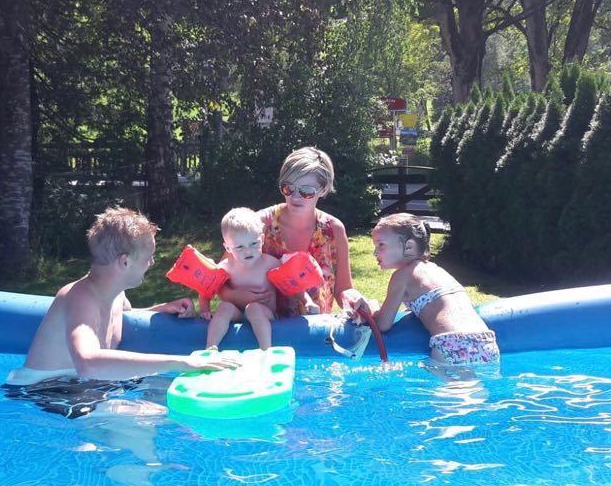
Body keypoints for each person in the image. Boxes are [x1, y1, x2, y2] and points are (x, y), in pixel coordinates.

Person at [4, 207, 240, 391]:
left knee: (165, 393)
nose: (152, 263)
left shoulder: (115, 293)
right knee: (139, 420)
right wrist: (180, 362)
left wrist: (162, 308)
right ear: (124, 262)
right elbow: (87, 361)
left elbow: (120, 317)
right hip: (46, 388)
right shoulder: (81, 298)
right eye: (149, 257)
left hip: (84, 383)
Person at [221, 147, 363, 317]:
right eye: (288, 188)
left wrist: (356, 301)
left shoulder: (333, 230)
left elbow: (344, 289)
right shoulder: (259, 224)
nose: (295, 197)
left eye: (306, 191)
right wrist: (235, 295)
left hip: (314, 335)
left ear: (323, 189)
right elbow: (219, 277)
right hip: (266, 332)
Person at [355, 213, 500, 366]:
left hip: (451, 344)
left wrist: (371, 308)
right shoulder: (438, 272)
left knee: (453, 389)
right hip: (486, 341)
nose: (375, 252)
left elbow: (383, 325)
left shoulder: (402, 276)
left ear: (409, 246)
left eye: (381, 244)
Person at [199, 208, 283, 349]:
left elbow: (292, 285)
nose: (248, 251)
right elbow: (205, 289)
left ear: (262, 239)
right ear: (228, 248)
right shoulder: (225, 267)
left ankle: (266, 350)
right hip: (237, 314)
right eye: (239, 247)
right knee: (224, 307)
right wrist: (204, 310)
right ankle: (210, 349)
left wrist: (306, 301)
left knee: (253, 308)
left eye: (254, 244)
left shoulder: (271, 264)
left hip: (265, 313)